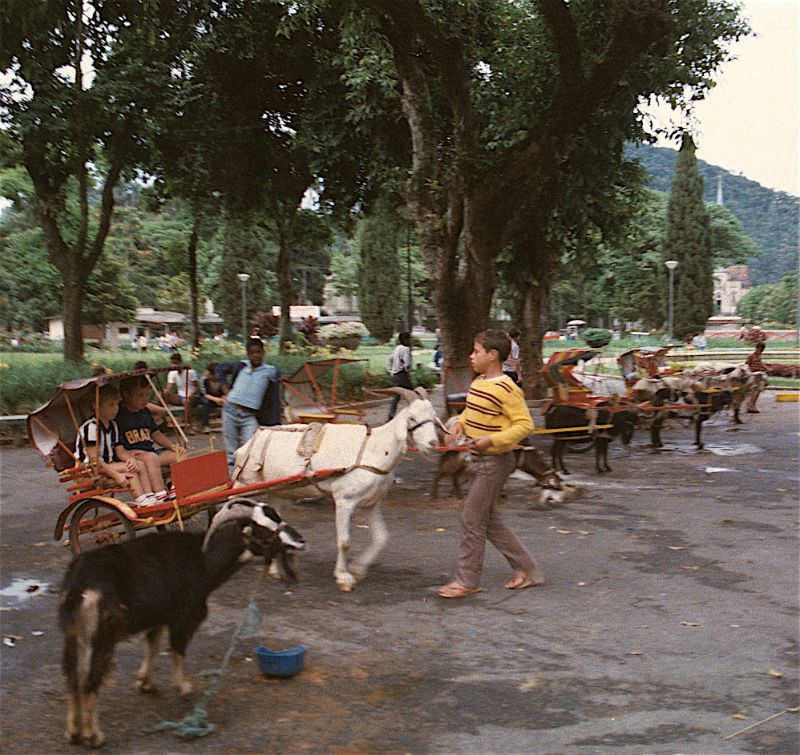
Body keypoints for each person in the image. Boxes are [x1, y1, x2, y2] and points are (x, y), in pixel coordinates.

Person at [437, 329, 544, 599]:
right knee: (488, 519)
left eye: (476, 352)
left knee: (472, 518)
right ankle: (527, 569)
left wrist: (492, 440)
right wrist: (459, 425)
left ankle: (467, 580)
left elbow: (524, 425)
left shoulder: (507, 388)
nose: (471, 356)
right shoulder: (479, 382)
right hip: (480, 459)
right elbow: (470, 412)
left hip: (495, 461)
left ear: (492, 355)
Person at [74, 383, 155, 506]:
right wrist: (116, 475)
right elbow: (94, 460)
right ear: (97, 407)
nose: (116, 408)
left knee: (138, 464)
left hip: (108, 464)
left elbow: (120, 451)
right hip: (91, 467)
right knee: (130, 471)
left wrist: (130, 459)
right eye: (111, 405)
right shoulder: (91, 427)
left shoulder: (113, 425)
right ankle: (141, 499)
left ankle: (150, 496)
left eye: (117, 404)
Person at [216, 337, 281, 472]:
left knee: (251, 448)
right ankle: (232, 484)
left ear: (263, 352)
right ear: (248, 353)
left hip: (249, 415)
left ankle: (247, 480)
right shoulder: (240, 366)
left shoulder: (270, 371)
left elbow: (283, 382)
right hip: (230, 411)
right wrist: (225, 389)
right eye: (252, 352)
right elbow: (218, 369)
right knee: (231, 452)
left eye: (258, 352)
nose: (255, 355)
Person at [116, 375, 184, 500]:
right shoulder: (118, 414)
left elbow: (155, 433)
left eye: (147, 395)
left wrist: (172, 446)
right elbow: (116, 445)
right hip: (134, 456)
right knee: (151, 458)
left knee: (180, 455)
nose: (145, 399)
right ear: (126, 395)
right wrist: (129, 455)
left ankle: (175, 488)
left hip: (150, 453)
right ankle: (160, 494)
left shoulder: (144, 412)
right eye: (140, 395)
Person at [165, 352, 200, 431]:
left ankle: (189, 425)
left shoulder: (190, 372)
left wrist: (191, 395)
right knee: (163, 394)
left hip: (191, 396)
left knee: (186, 401)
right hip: (180, 397)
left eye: (176, 363)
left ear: (180, 363)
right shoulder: (172, 373)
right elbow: (168, 387)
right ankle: (165, 422)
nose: (174, 365)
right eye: (172, 363)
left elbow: (196, 387)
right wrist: (165, 392)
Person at [387, 331, 413, 419]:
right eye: (409, 339)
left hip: (395, 375)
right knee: (413, 394)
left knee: (396, 396)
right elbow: (407, 364)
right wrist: (408, 370)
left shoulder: (397, 348)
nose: (410, 341)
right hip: (402, 374)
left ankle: (391, 414)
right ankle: (414, 412)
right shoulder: (406, 349)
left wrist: (390, 369)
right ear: (405, 340)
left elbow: (389, 359)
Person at [199, 362, 227, 432]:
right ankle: (206, 425)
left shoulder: (222, 380)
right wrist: (215, 399)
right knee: (206, 403)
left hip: (219, 397)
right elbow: (204, 394)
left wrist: (223, 398)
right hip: (207, 397)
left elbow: (226, 392)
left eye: (208, 373)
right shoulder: (204, 379)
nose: (206, 374)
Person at [745, 341, 767, 413]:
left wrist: (766, 368)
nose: (760, 352)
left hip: (759, 375)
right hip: (753, 375)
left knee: (758, 390)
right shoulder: (751, 356)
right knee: (754, 390)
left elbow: (761, 365)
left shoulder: (759, 357)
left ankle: (752, 404)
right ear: (757, 348)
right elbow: (746, 366)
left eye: (762, 351)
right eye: (760, 350)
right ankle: (750, 405)